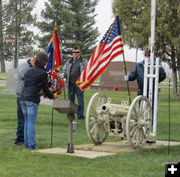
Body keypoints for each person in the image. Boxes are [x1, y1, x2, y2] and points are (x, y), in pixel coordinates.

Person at [20, 52, 58, 150]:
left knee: (27, 122)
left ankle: (27, 144)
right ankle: (32, 145)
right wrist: (52, 96)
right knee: (31, 122)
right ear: (44, 62)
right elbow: (45, 88)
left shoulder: (28, 71)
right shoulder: (43, 73)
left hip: (23, 98)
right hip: (32, 99)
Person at [14, 53, 36, 146]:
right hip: (21, 96)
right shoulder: (24, 66)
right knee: (22, 119)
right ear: (33, 60)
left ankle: (26, 139)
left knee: (28, 120)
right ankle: (19, 139)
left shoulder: (33, 68)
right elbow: (25, 76)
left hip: (29, 96)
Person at [61, 45, 88, 120]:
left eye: (77, 52)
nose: (75, 53)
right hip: (70, 84)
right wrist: (63, 75)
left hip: (79, 84)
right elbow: (65, 70)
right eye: (74, 52)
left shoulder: (84, 61)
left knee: (80, 101)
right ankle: (71, 115)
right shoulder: (69, 61)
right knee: (71, 101)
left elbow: (87, 71)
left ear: (80, 53)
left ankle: (80, 116)